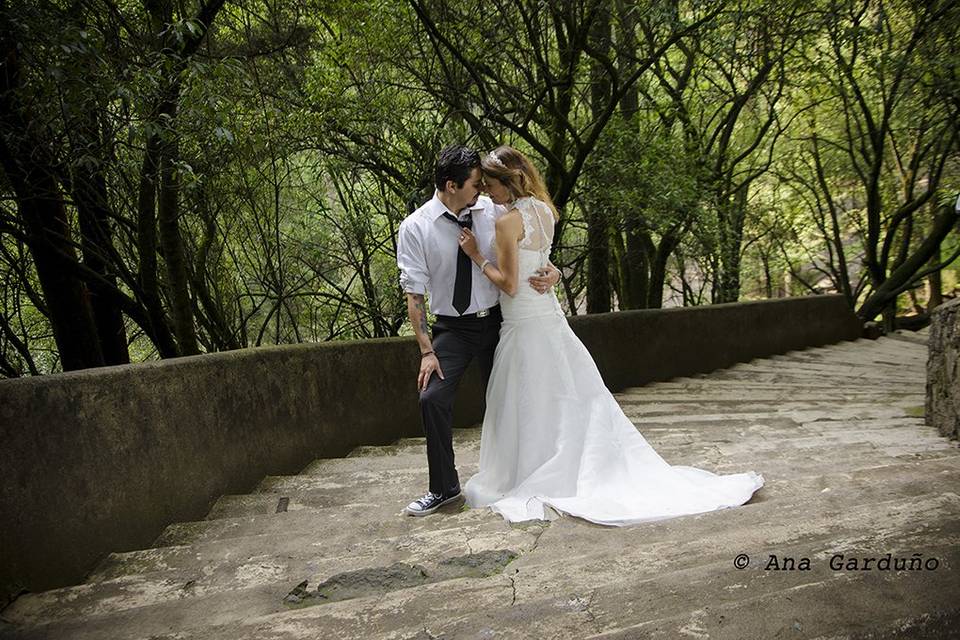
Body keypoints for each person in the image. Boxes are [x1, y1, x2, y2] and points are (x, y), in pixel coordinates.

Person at [457, 145, 764, 525]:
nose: (488, 192)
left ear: (510, 181)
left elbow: (509, 283)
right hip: (549, 320)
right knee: (565, 397)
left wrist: (476, 256)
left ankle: (539, 468)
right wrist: (553, 273)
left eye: (491, 185)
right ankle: (561, 460)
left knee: (532, 398)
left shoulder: (507, 223)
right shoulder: (545, 212)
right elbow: (539, 261)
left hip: (522, 321)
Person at [396, 144, 562, 516]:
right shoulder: (416, 227)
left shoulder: (495, 209)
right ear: (452, 185)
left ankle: (525, 476)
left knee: (513, 401)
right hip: (453, 329)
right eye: (475, 183)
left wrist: (555, 271)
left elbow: (532, 239)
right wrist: (426, 350)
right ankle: (444, 489)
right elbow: (414, 294)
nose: (483, 189)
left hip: (501, 323)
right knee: (431, 398)